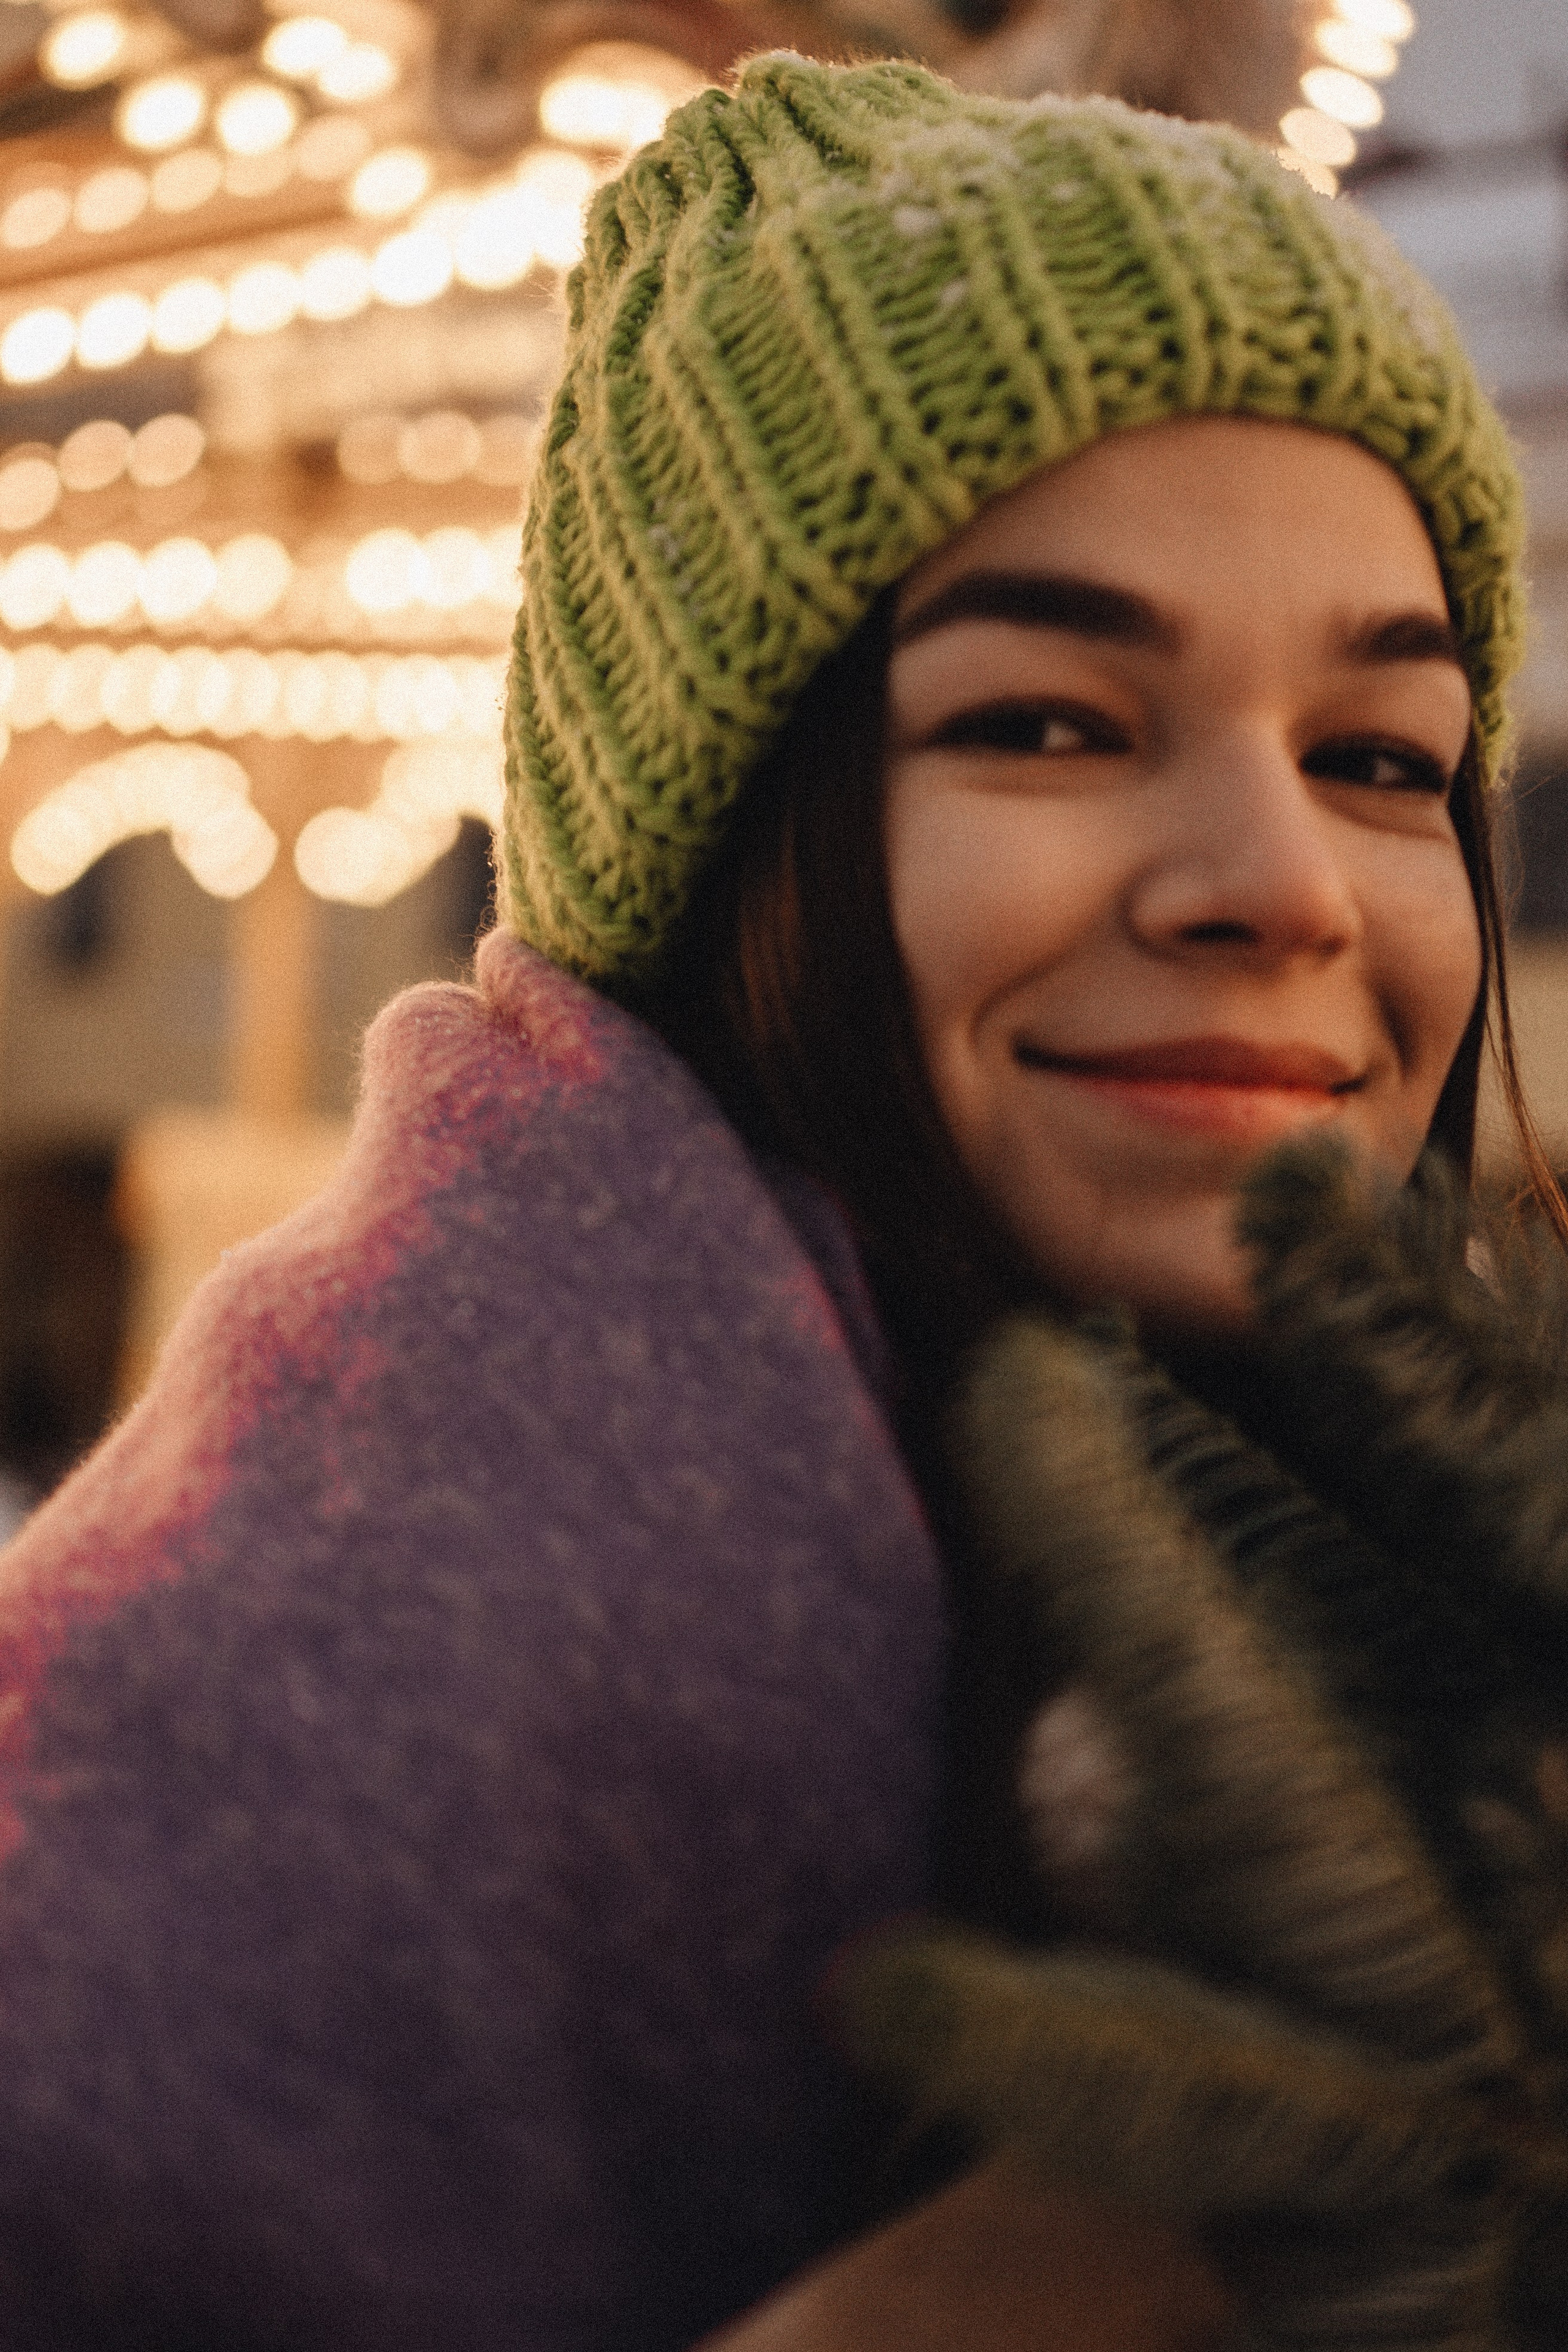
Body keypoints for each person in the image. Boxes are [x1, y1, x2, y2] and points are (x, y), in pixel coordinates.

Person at [0, 48, 1556, 2352]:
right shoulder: (338, 1681)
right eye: (1047, 720)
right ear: (736, 842)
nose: (1284, 886)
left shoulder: (1355, 1536)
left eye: (1383, 760)